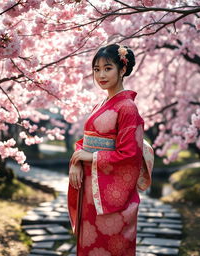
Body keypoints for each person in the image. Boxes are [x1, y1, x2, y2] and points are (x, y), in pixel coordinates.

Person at [67, 43, 154, 256]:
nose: (101, 75)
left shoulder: (127, 108)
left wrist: (91, 157)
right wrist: (78, 161)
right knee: (89, 244)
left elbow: (130, 154)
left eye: (108, 68)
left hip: (109, 192)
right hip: (90, 187)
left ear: (122, 70)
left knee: (110, 245)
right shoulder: (103, 103)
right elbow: (87, 141)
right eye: (96, 69)